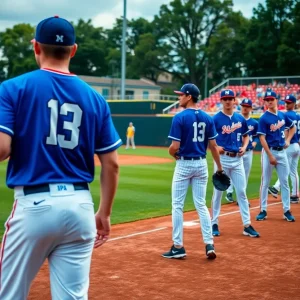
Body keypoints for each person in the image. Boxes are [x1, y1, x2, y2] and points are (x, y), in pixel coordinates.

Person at [0, 16, 122, 299]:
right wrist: (104, 212)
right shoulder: (95, 99)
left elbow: (2, 149)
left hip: (34, 206)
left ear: (35, 47)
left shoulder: (12, 88)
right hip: (80, 208)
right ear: (74, 50)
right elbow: (111, 164)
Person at [162, 83, 223, 260]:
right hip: (202, 164)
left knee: (177, 205)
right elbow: (213, 146)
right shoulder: (208, 118)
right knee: (201, 204)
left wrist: (172, 155)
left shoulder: (179, 118)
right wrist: (219, 168)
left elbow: (174, 147)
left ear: (189, 97)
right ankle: (209, 244)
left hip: (184, 164)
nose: (179, 97)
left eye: (181, 95)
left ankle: (178, 246)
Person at [211, 89, 259, 238]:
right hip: (222, 159)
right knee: (218, 193)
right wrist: (216, 147)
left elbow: (246, 137)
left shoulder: (240, 119)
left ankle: (247, 225)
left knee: (242, 192)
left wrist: (245, 147)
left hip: (237, 160)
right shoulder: (215, 119)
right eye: (225, 98)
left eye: (230, 98)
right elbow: (209, 139)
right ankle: (214, 223)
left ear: (234, 101)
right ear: (221, 101)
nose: (227, 101)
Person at [256, 91, 296, 222]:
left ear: (276, 100)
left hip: (282, 152)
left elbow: (293, 127)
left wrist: (289, 140)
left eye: (271, 99)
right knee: (265, 182)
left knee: (285, 182)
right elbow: (262, 138)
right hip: (269, 152)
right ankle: (263, 210)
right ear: (265, 102)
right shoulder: (264, 118)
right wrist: (270, 155)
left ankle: (287, 210)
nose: (269, 101)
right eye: (267, 100)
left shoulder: (282, 115)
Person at [225, 99, 259, 206]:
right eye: (243, 105)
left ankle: (241, 197)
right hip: (235, 151)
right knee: (230, 173)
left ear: (250, 108)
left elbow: (258, 135)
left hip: (248, 151)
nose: (245, 108)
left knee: (245, 175)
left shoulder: (254, 123)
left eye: (247, 106)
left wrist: (255, 142)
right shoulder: (235, 119)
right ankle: (229, 192)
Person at [268, 94, 300, 204]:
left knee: (285, 169)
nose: (287, 104)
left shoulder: (287, 115)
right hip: (297, 146)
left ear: (294, 103)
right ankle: (295, 194)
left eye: (289, 102)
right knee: (293, 171)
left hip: (289, 145)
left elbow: (286, 130)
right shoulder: (298, 115)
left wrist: (285, 141)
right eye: (286, 102)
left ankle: (276, 187)